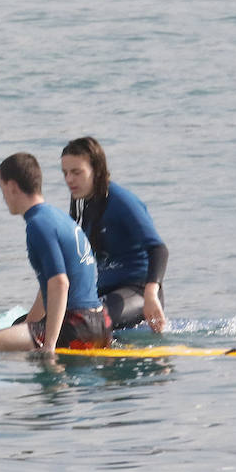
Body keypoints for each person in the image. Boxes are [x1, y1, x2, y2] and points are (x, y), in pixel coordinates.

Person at [0, 153, 111, 354]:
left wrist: (49, 346)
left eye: (2, 190)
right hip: (100, 323)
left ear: (12, 187)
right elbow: (49, 286)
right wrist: (28, 324)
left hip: (75, 326)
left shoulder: (38, 224)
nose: (4, 198)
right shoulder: (56, 216)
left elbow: (59, 283)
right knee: (18, 327)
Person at [61, 136, 168, 331]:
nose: (69, 179)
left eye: (76, 172)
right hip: (104, 293)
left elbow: (158, 249)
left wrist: (151, 295)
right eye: (65, 173)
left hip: (138, 292)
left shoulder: (121, 201)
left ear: (97, 170)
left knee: (82, 325)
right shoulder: (82, 204)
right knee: (36, 323)